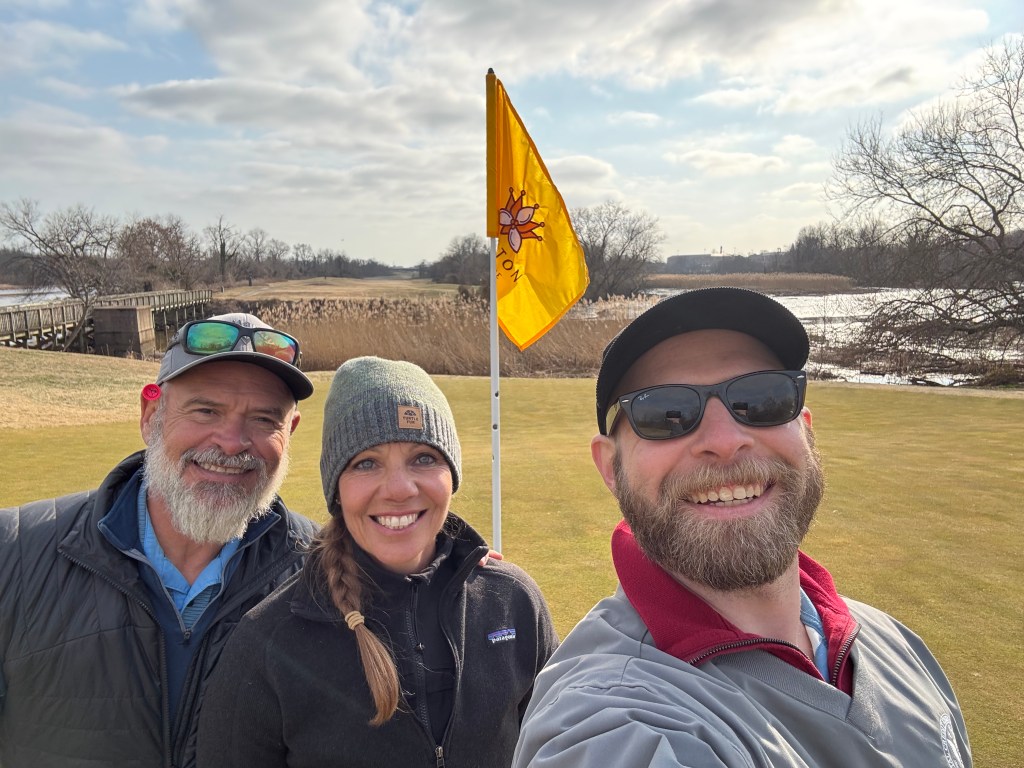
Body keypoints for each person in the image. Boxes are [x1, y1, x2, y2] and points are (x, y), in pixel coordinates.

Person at [513, 287, 972, 768]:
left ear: (806, 432)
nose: (725, 440)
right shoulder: (612, 724)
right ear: (611, 467)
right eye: (666, 413)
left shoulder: (893, 642)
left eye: (761, 399)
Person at [197, 356, 558, 768]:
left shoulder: (513, 603)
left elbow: (557, 749)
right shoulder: (268, 643)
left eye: (424, 458)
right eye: (366, 463)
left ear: (451, 474)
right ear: (337, 490)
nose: (399, 489)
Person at [0, 312, 319, 768]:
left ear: (289, 433)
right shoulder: (13, 555)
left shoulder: (325, 575)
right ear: (152, 416)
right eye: (206, 410)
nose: (232, 442)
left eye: (264, 419)